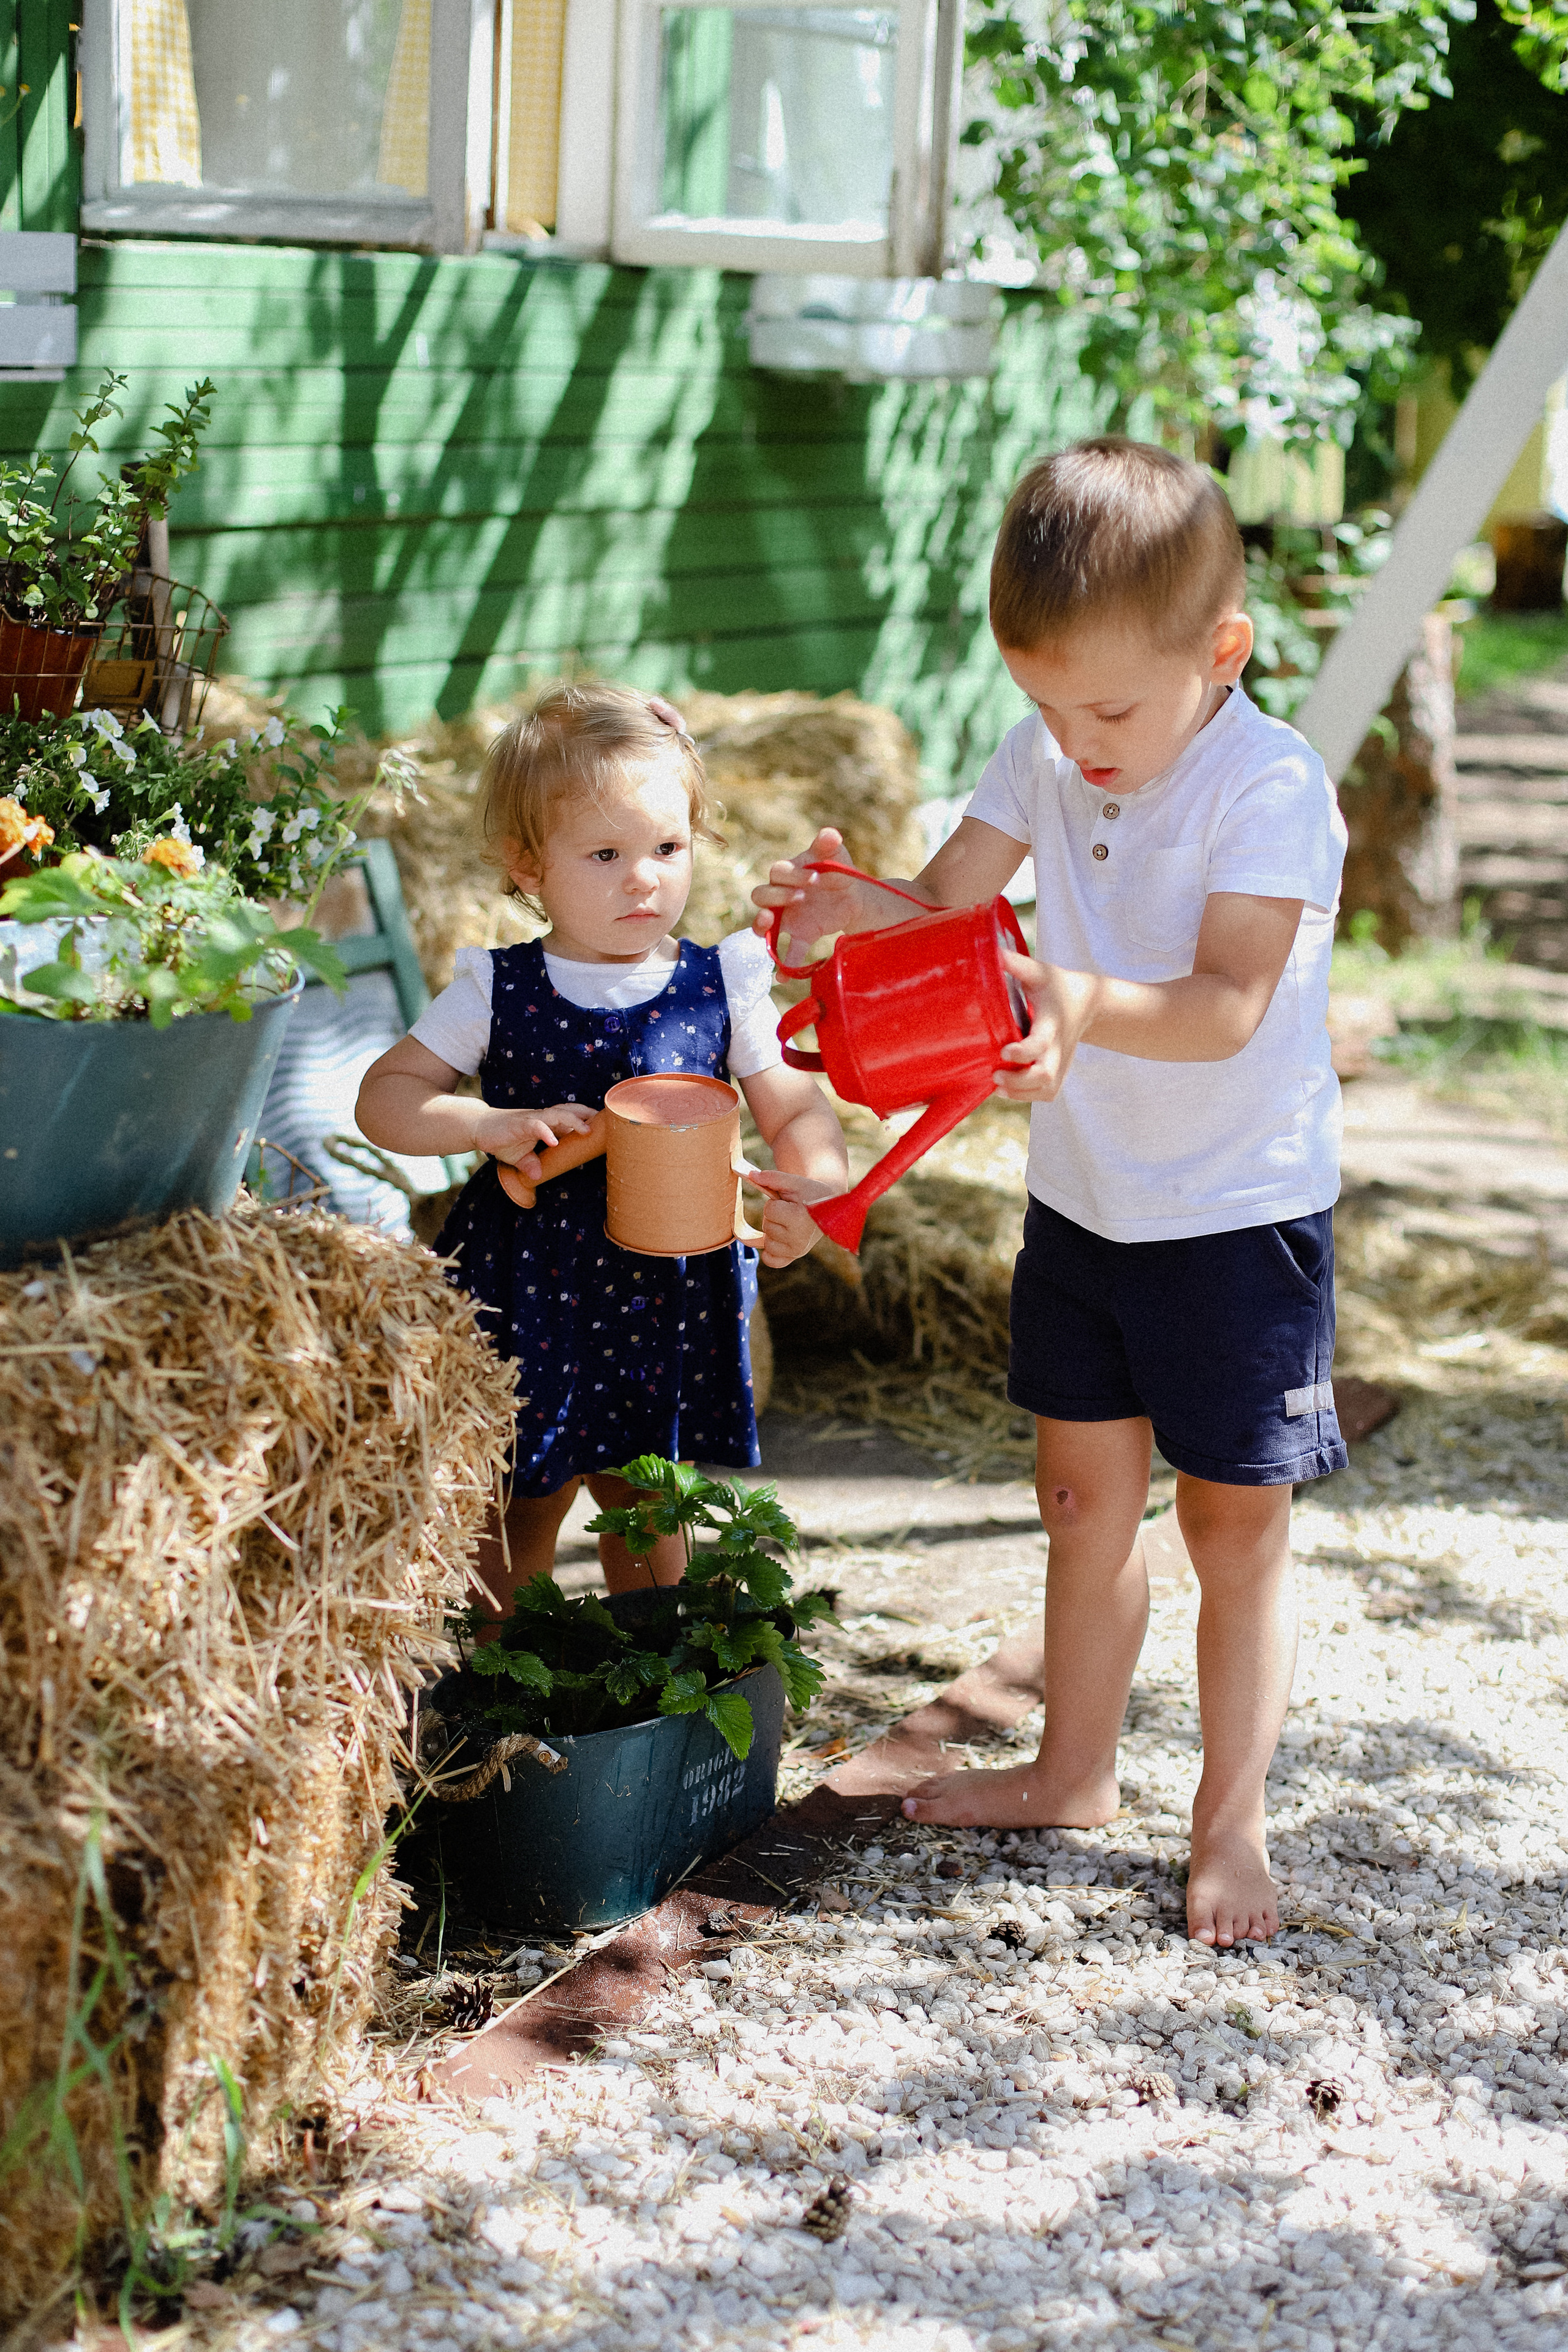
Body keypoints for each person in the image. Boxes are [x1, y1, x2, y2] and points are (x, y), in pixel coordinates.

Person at [753, 439, 1348, 1949]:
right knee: (1081, 1500)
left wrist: (1072, 997)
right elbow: (944, 912)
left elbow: (1224, 1003)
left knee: (1231, 1525)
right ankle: (1071, 1767)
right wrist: (843, 916)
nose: (1070, 739)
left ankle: (1227, 1821)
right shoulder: (1045, 750)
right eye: (1039, 703)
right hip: (1087, 1201)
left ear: (1222, 653)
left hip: (1236, 1217)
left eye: (1106, 709)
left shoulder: (1267, 784)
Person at [358, 681, 846, 1616]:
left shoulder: (720, 984)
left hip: (662, 1291)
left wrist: (814, 1191)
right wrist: (486, 1126)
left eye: (669, 847)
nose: (644, 878)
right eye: (606, 854)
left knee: (648, 1505)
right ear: (528, 864)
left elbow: (796, 1110)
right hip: (530, 1287)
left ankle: (645, 1688)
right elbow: (387, 1099)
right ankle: (507, 1700)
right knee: (514, 1505)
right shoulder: (496, 990)